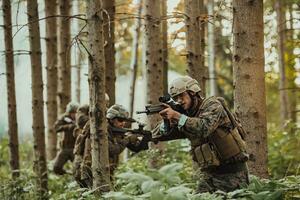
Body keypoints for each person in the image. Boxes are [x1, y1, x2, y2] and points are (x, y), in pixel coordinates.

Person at [153, 75, 249, 193]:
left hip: (232, 174)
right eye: (175, 97)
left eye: (181, 95)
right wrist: (167, 121)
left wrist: (177, 116)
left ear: (193, 93)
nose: (179, 101)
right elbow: (160, 134)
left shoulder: (213, 105)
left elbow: (204, 128)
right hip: (209, 175)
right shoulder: (187, 115)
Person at [79, 104, 149, 188]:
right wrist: (128, 139)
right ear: (112, 119)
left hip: (105, 171)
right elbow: (112, 149)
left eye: (124, 120)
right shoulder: (101, 128)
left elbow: (135, 149)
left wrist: (145, 140)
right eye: (120, 120)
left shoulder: (116, 131)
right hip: (92, 172)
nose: (123, 123)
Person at [53, 102, 79, 175]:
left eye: (75, 112)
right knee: (56, 168)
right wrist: (68, 126)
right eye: (72, 112)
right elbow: (56, 128)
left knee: (78, 170)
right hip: (65, 148)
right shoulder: (64, 118)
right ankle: (69, 174)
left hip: (76, 149)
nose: (74, 115)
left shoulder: (81, 118)